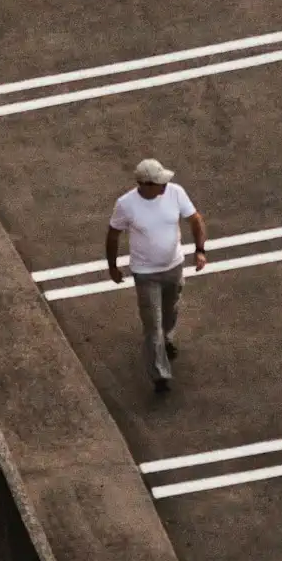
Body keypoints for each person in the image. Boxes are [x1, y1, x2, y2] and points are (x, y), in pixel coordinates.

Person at [107, 157, 206, 393]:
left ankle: (167, 338)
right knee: (153, 325)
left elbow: (195, 219)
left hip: (174, 266)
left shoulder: (175, 192)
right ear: (144, 184)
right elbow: (113, 234)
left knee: (171, 311)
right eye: (159, 182)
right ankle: (160, 374)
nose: (164, 185)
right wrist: (112, 266)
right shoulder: (126, 204)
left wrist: (200, 250)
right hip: (145, 273)